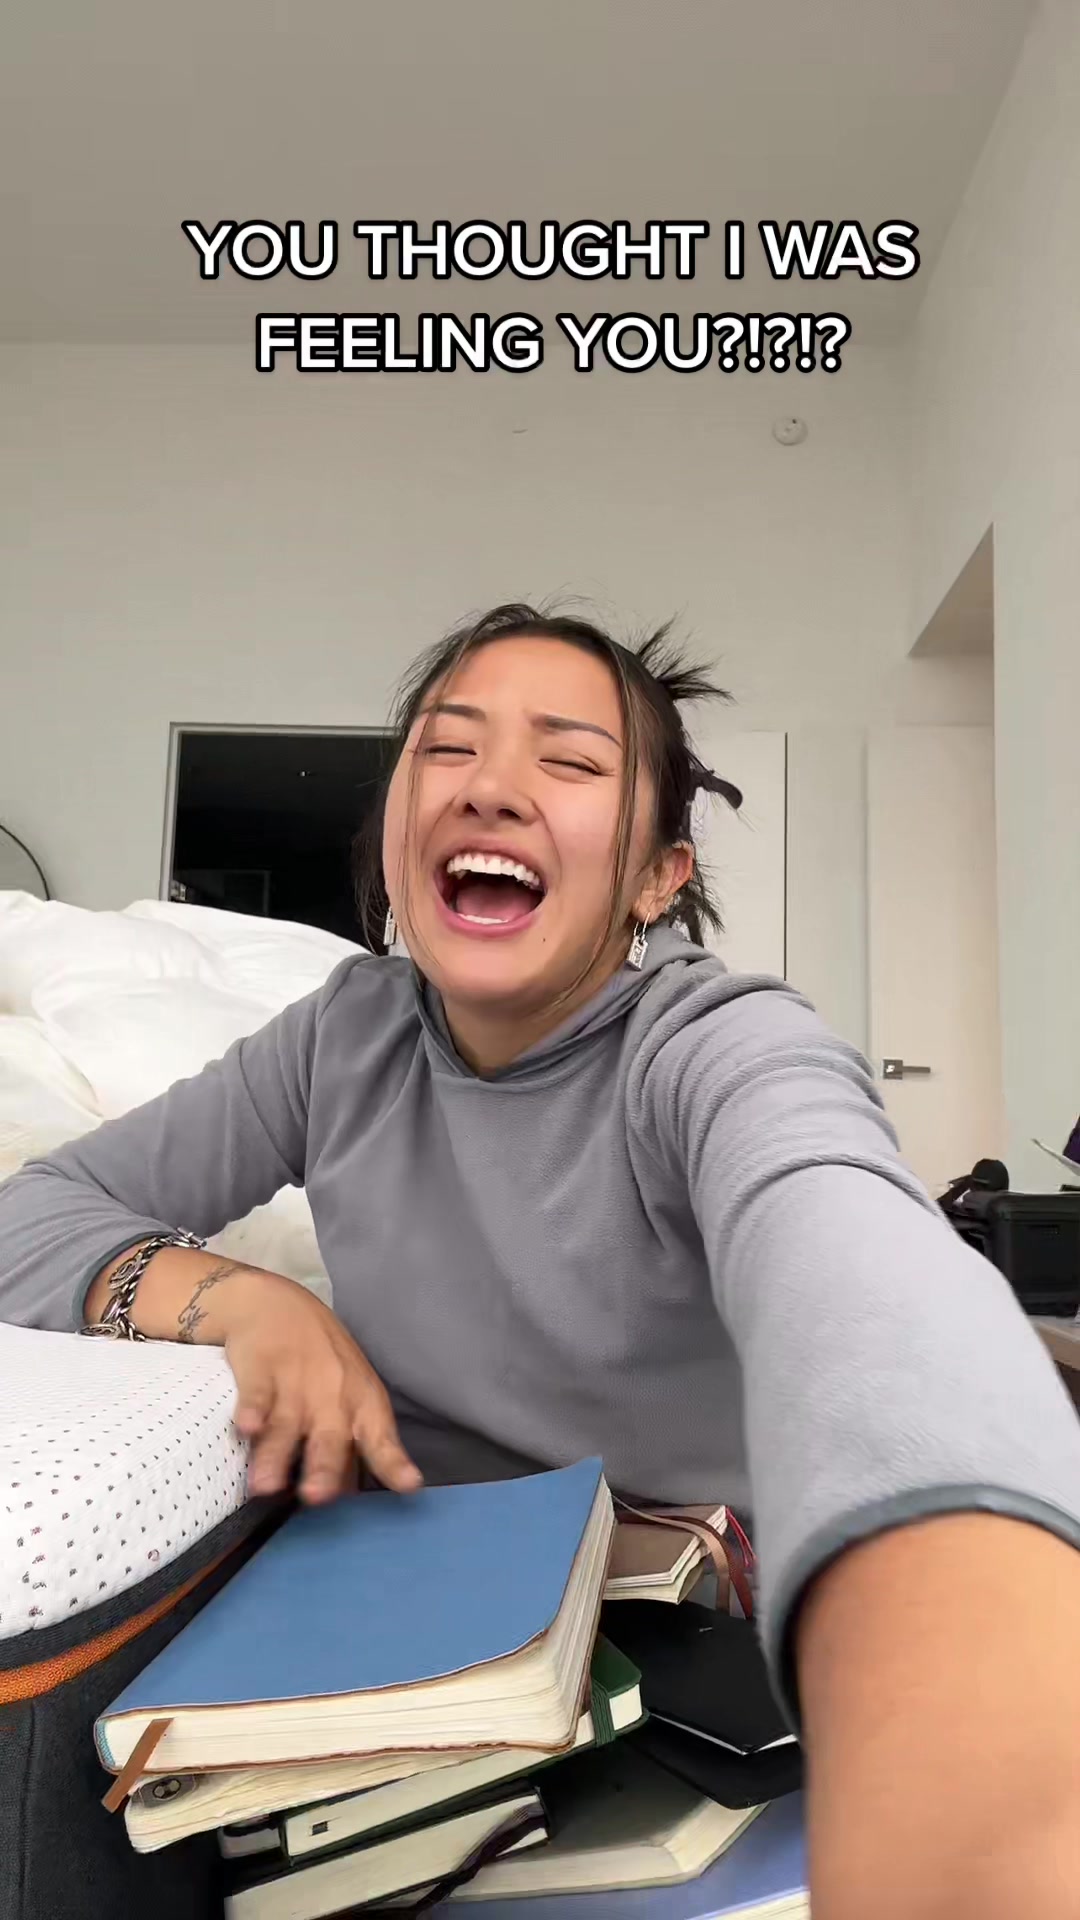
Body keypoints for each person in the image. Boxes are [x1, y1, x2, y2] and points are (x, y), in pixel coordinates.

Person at [2, 603, 1079, 1918]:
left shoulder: (718, 1046)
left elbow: (865, 1279)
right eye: (447, 749)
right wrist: (232, 1297)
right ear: (393, 836)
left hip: (691, 1647)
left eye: (569, 762)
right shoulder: (344, 1037)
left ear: (657, 879)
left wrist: (964, 1641)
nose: (492, 787)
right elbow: (39, 1209)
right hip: (415, 1620)